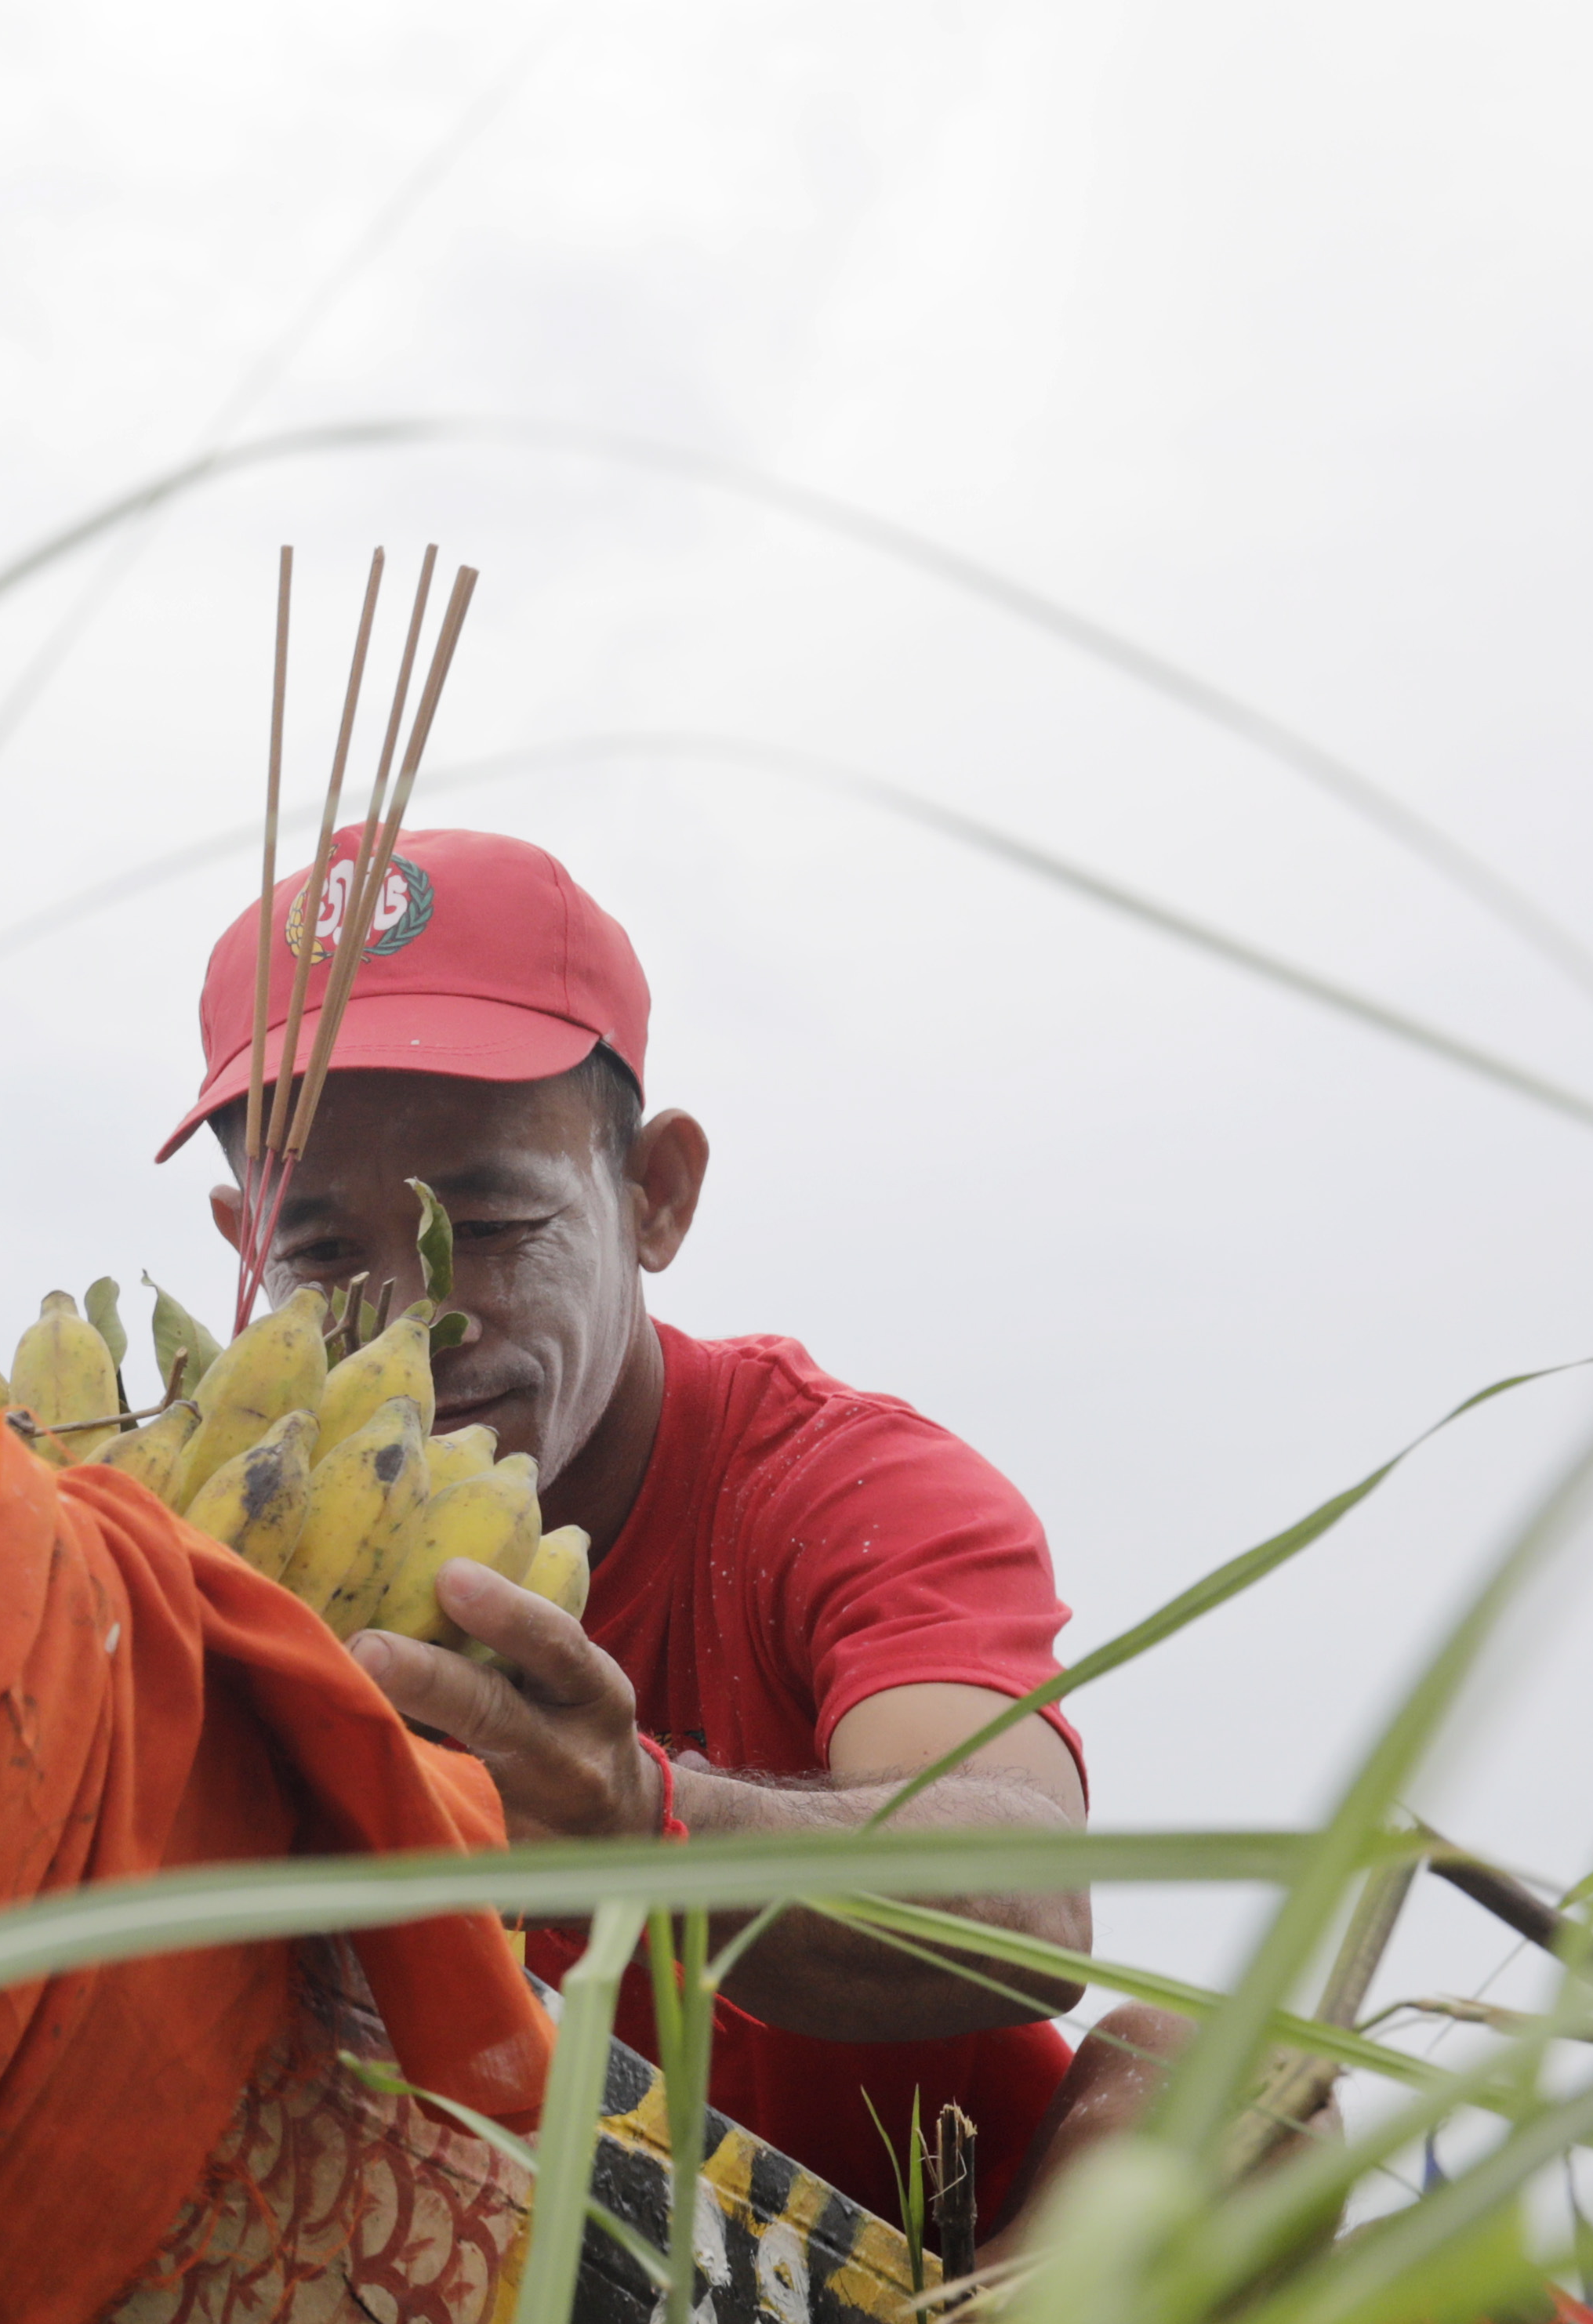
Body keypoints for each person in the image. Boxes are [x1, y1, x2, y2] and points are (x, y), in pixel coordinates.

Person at [157, 825, 1181, 2241]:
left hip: (950, 2296)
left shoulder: (837, 1485)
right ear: (242, 1243)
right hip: (477, 2287)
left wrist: (638, 1823)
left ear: (654, 1194)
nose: (413, 1321)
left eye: (491, 1224)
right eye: (324, 1252)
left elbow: (1025, 1896)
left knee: (1217, 2071)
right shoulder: (216, 1544)